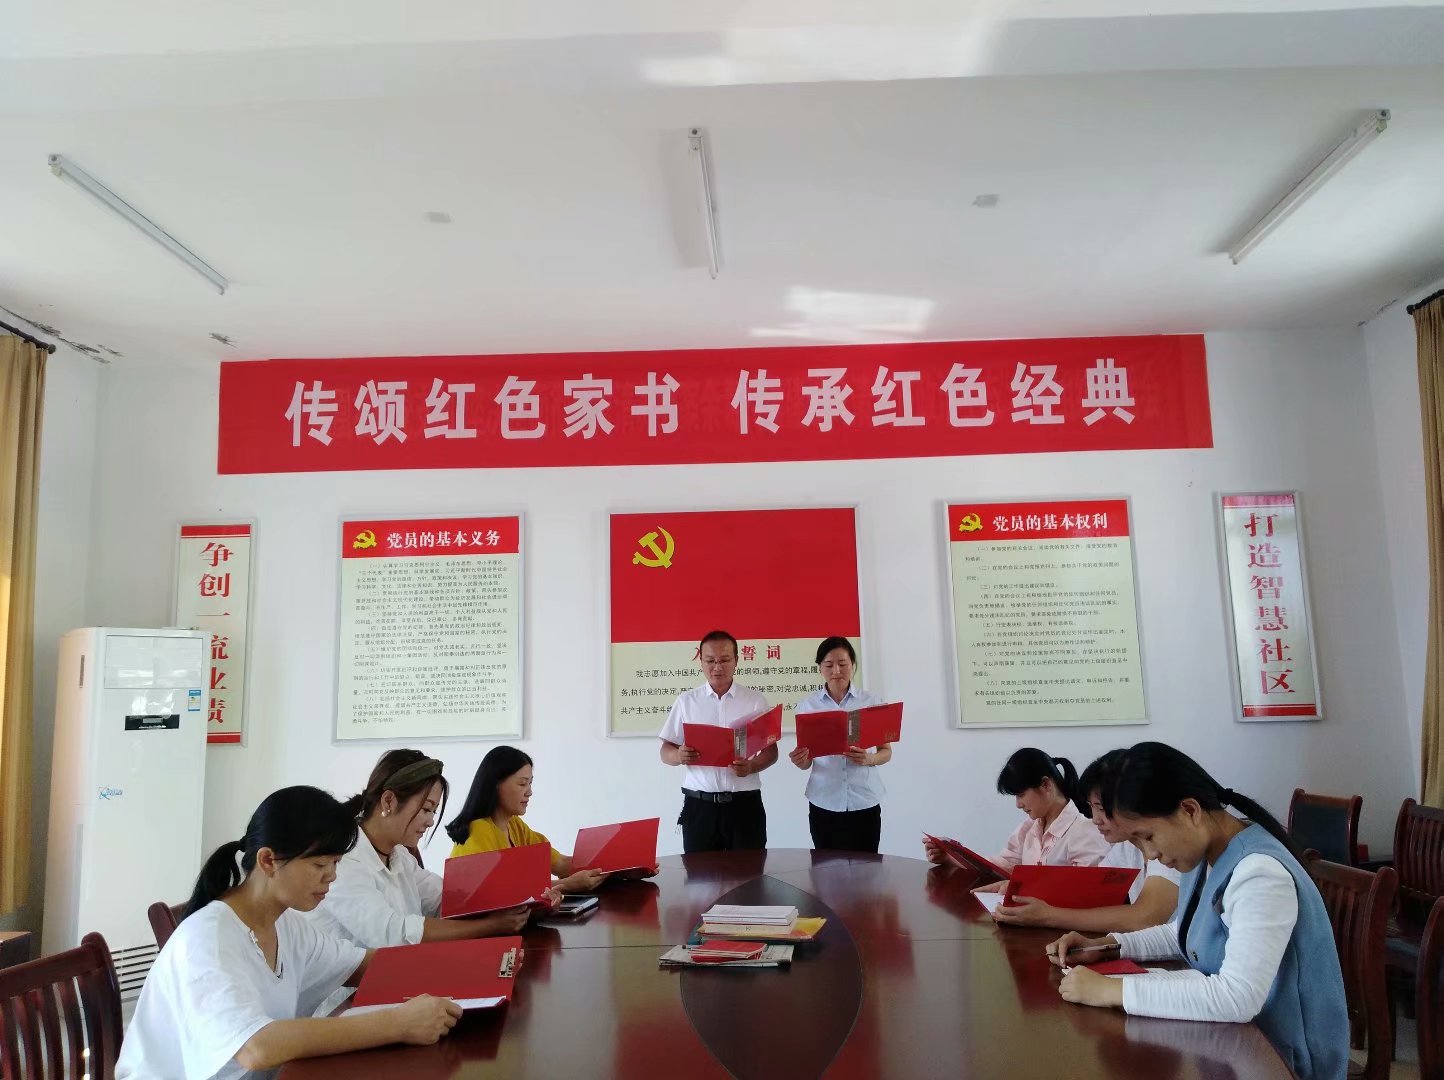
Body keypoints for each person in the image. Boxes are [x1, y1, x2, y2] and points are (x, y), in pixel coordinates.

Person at [1045, 742, 1348, 1080]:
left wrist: (1110, 990)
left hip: (1284, 1061)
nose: (1150, 853)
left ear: (1190, 810)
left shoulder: (1259, 873)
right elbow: (1184, 932)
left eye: (1148, 836)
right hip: (1235, 1045)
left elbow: (1237, 997)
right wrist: (1108, 945)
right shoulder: (1205, 857)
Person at [117, 786, 460, 1080]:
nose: (331, 876)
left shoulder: (286, 924)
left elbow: (365, 965)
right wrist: (398, 1023)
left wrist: (469, 967)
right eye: (319, 864)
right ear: (268, 861)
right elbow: (256, 1047)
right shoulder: (208, 939)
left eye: (336, 863)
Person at [305, 749, 532, 948]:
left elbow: (445, 897)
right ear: (388, 801)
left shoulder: (399, 856)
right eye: (426, 809)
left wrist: (520, 902)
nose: (430, 821)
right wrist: (490, 925)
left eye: (433, 811)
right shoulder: (343, 861)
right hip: (351, 985)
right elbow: (393, 934)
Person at [991, 749, 1180, 932]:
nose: (1095, 819)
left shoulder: (1169, 845)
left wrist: (1047, 915)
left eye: (1101, 808)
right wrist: (1028, 890)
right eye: (1092, 807)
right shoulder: (1124, 847)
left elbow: (1144, 918)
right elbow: (1091, 891)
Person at [924, 747, 1108, 891]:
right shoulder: (1029, 828)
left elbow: (1085, 890)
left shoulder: (1085, 830)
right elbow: (1001, 867)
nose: (1018, 804)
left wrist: (1026, 889)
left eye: (1021, 795)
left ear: (1046, 784)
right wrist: (950, 858)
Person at [658, 629, 777, 852]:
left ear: (736, 661)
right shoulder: (686, 702)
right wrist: (679, 755)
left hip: (744, 805)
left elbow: (771, 752)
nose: (717, 667)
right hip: (700, 807)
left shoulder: (755, 701)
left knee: (749, 871)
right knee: (699, 873)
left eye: (724, 660)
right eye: (710, 660)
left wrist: (752, 766)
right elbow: (665, 751)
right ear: (701, 662)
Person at [446, 746, 615, 892]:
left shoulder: (514, 825)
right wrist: (567, 885)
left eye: (530, 783)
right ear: (496, 785)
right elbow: (501, 893)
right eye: (522, 784)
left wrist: (613, 866)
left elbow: (560, 863)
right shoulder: (478, 830)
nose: (529, 792)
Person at [788, 636, 891, 853]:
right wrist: (801, 760)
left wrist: (869, 758)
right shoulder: (808, 706)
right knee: (826, 868)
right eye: (829, 665)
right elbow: (807, 762)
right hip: (824, 800)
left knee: (868, 867)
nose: (836, 671)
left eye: (843, 664)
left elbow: (886, 752)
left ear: (853, 665)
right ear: (820, 668)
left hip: (864, 800)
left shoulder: (872, 702)